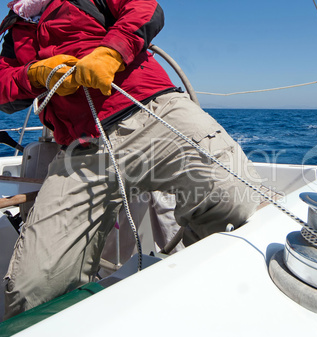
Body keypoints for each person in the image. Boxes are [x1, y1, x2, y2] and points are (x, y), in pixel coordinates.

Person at [0, 0, 261, 320]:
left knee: (235, 202)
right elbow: (3, 88)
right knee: (31, 289)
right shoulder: (14, 34)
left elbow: (144, 8)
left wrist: (110, 51)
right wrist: (37, 74)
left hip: (152, 110)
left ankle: (203, 307)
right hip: (82, 151)